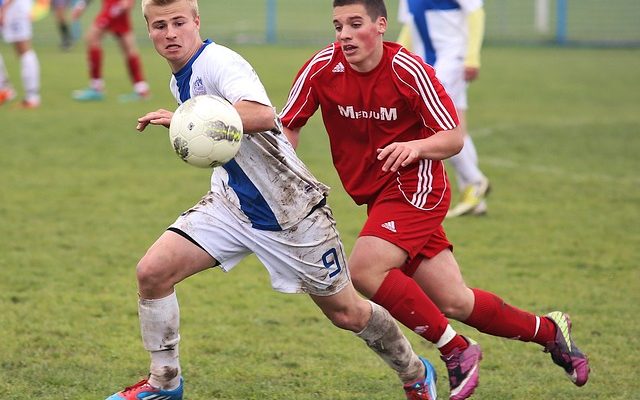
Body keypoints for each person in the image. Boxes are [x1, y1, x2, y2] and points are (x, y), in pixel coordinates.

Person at [104, 1, 442, 399]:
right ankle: (164, 384)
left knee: (347, 313)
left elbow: (263, 115)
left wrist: (190, 119)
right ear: (149, 32)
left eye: (179, 23)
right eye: (160, 26)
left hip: (292, 213)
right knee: (152, 273)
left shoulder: (219, 63)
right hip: (232, 206)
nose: (170, 33)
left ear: (197, 22)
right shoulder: (181, 76)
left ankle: (415, 372)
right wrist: (185, 118)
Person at [280, 0, 590, 397]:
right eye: (337, 25)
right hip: (377, 196)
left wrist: (417, 147)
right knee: (455, 301)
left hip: (417, 188)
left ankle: (455, 349)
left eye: (354, 24)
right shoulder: (321, 68)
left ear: (380, 26)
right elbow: (287, 124)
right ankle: (550, 332)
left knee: (364, 270)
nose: (343, 35)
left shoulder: (407, 70)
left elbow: (453, 138)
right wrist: (286, 176)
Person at [397, 0, 489, 218]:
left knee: (436, 125)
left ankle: (475, 181)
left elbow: (476, 13)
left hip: (452, 60)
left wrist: (472, 57)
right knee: (456, 125)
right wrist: (397, 55)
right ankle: (473, 196)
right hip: (428, 65)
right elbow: (410, 26)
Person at [71, 0, 149, 102]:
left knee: (92, 38)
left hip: (115, 8)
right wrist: (81, 5)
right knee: (128, 48)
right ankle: (141, 88)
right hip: (114, 8)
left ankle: (96, 87)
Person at [0, 0, 40, 108]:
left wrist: (4, 8)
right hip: (12, 8)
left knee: (24, 50)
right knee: (22, 51)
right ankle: (3, 90)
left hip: (16, 8)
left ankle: (32, 98)